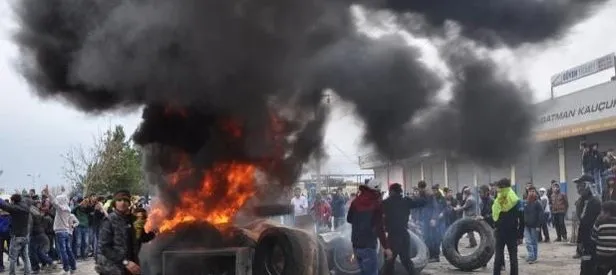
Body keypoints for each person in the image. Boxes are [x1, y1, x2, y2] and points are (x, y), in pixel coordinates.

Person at [347, 182, 392, 275]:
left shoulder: (355, 201)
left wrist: (360, 222)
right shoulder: (376, 204)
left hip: (356, 244)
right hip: (368, 245)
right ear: (377, 191)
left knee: (364, 272)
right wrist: (386, 247)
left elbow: (349, 219)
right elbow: (380, 228)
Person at [382, 183, 426, 275]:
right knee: (406, 260)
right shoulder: (406, 201)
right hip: (404, 234)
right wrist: (423, 193)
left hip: (393, 235)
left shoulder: (386, 203)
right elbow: (422, 202)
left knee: (389, 261)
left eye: (390, 191)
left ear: (392, 191)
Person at [96, 190, 142, 275]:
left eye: (125, 200)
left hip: (131, 267)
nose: (123, 203)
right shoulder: (109, 220)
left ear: (129, 203)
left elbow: (138, 239)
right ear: (115, 203)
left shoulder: (132, 220)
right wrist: (125, 262)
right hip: (113, 268)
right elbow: (105, 248)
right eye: (119, 200)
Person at [491, 178, 524, 275]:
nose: (498, 190)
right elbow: (522, 220)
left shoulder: (500, 200)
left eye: (499, 188)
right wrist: (520, 234)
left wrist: (520, 235)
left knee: (499, 258)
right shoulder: (515, 200)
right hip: (509, 233)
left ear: (504, 187)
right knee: (511, 258)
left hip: (504, 233)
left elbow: (522, 220)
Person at [43, 186, 78, 274]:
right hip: (66, 231)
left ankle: (66, 269)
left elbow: (54, 202)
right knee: (68, 250)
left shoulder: (61, 209)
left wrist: (48, 193)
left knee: (63, 251)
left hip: (60, 231)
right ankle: (73, 267)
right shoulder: (68, 209)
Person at [573, 175, 602, 275]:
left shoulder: (595, 202)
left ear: (588, 186)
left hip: (594, 242)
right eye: (578, 186)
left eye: (581, 185)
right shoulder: (581, 201)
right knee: (585, 266)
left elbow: (587, 223)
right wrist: (579, 242)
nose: (578, 189)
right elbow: (581, 223)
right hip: (585, 241)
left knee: (591, 267)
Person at [591, 201, 616, 275]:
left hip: (602, 255)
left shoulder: (599, 221)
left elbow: (593, 237)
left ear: (607, 212)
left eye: (602, 211)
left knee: (600, 272)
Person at [523, 187, 544, 264]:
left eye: (533, 191)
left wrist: (539, 226)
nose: (531, 193)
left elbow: (541, 215)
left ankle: (534, 257)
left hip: (535, 226)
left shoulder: (538, 203)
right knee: (528, 241)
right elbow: (523, 213)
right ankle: (531, 256)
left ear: (535, 192)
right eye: (530, 191)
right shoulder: (525, 202)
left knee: (534, 242)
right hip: (526, 225)